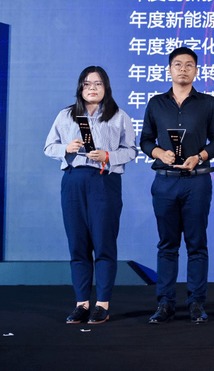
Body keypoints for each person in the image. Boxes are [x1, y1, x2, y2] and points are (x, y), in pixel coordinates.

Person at [44, 66, 136, 324]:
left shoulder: (119, 116)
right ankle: (81, 303)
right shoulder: (66, 115)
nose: (92, 88)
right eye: (87, 84)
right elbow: (48, 146)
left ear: (106, 87)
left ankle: (102, 304)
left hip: (104, 181)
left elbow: (131, 150)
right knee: (78, 245)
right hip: (73, 182)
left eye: (97, 83)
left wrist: (108, 155)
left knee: (104, 244)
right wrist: (66, 147)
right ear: (80, 88)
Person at [140, 47, 214, 324]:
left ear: (196, 70)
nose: (183, 69)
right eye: (178, 65)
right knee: (167, 245)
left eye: (189, 65)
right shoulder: (156, 103)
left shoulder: (208, 103)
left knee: (197, 244)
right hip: (165, 182)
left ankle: (196, 303)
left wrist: (199, 156)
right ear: (169, 69)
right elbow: (145, 140)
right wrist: (159, 153)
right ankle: (165, 303)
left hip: (197, 181)